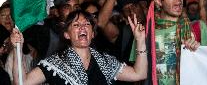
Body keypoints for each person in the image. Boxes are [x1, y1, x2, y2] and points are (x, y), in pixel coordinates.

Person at [11, 10, 147, 85]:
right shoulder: (55, 64)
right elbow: (22, 83)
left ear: (92, 34)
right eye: (76, 25)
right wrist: (18, 47)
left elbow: (139, 74)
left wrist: (140, 41)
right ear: (66, 35)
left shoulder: (106, 62)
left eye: (87, 24)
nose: (82, 27)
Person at [143, 0, 207, 85]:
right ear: (158, 1)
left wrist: (198, 52)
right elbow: (139, 74)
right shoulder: (145, 34)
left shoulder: (198, 28)